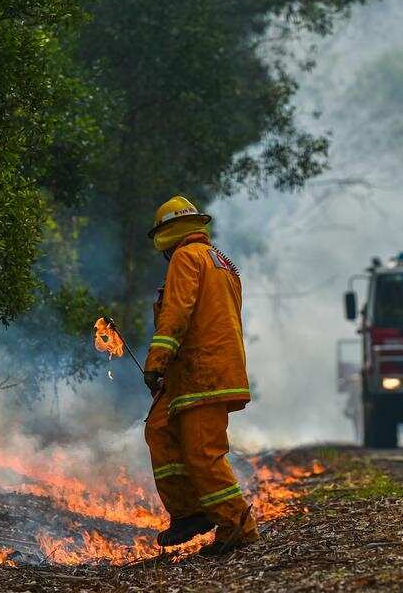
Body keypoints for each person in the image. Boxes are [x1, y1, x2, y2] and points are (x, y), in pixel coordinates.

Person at [142, 195, 258, 556]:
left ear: (166, 237)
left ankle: (237, 524)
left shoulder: (185, 257)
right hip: (198, 373)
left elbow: (176, 314)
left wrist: (156, 361)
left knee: (203, 453)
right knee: (159, 428)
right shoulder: (219, 261)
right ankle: (190, 514)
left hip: (202, 373)